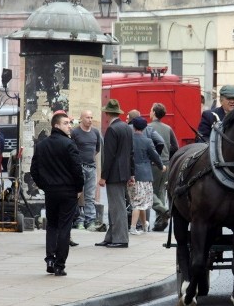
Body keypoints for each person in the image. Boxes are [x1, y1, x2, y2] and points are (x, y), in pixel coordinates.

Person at [29, 112, 84, 276]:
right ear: (56, 125)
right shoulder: (69, 144)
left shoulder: (42, 145)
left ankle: (50, 259)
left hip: (51, 191)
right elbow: (77, 170)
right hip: (68, 191)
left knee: (52, 225)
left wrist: (43, 185)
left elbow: (34, 170)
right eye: (66, 123)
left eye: (69, 123)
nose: (70, 126)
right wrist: (79, 188)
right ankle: (60, 264)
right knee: (64, 226)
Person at [95, 99, 134, 249]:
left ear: (107, 114)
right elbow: (131, 153)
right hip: (123, 172)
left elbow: (109, 156)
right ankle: (111, 236)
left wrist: (103, 176)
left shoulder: (112, 130)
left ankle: (121, 239)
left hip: (114, 174)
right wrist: (132, 174)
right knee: (115, 206)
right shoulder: (126, 127)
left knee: (117, 207)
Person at [128, 117, 165, 235]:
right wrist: (161, 166)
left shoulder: (128, 140)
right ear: (145, 128)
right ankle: (133, 228)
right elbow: (155, 156)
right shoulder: (147, 141)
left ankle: (144, 225)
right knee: (139, 203)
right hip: (144, 175)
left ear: (133, 127)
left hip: (131, 175)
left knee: (140, 202)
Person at [70, 109, 104, 230]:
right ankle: (78, 219)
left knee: (90, 195)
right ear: (81, 119)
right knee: (78, 194)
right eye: (87, 118)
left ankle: (90, 220)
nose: (90, 120)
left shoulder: (95, 132)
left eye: (91, 117)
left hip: (91, 167)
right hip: (79, 167)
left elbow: (97, 149)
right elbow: (71, 150)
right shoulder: (75, 132)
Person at [149, 102, 179, 231]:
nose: (150, 112)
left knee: (148, 191)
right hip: (166, 163)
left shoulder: (148, 127)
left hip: (153, 163)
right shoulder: (168, 128)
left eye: (151, 110)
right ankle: (160, 221)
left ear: (154, 113)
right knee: (160, 191)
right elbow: (175, 147)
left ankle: (164, 210)